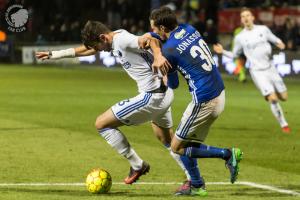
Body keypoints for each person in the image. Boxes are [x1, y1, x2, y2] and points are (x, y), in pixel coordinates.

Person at [36, 20, 192, 185]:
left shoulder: (122, 40)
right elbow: (88, 49)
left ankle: (137, 165)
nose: (97, 51)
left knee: (101, 124)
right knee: (167, 140)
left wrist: (158, 56)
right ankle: (193, 178)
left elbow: (151, 39)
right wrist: (55, 54)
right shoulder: (116, 35)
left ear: (103, 37)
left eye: (97, 46)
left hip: (152, 97)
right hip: (165, 94)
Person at [149, 7, 243, 196]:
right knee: (186, 143)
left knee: (177, 147)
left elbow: (173, 84)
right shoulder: (190, 29)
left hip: (204, 101)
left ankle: (227, 154)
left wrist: (163, 70)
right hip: (219, 92)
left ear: (161, 27)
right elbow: (170, 38)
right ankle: (197, 185)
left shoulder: (169, 50)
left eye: (153, 28)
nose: (153, 31)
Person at [213, 8, 291, 133]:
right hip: (257, 72)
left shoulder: (263, 30)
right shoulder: (240, 37)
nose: (246, 17)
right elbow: (235, 55)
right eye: (243, 16)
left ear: (253, 17)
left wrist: (279, 42)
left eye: (248, 15)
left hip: (271, 68)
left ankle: (270, 94)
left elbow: (274, 38)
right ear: (241, 20)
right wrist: (222, 52)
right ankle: (284, 124)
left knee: (284, 97)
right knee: (274, 98)